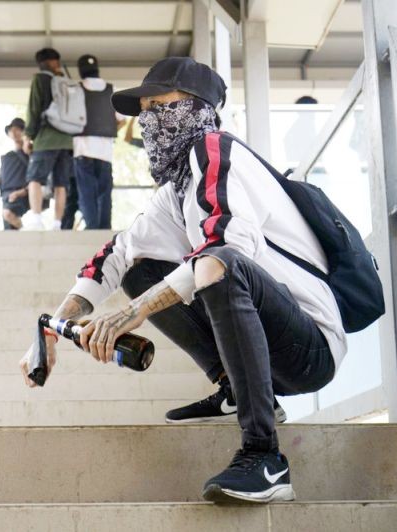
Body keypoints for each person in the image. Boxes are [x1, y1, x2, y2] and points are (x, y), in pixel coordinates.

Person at [20, 57, 346, 504]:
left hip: (309, 347)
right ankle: (235, 387)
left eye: (161, 105)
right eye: (144, 110)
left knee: (220, 262)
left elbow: (222, 255)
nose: (150, 120)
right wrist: (52, 328)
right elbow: (114, 256)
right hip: (267, 343)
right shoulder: (176, 189)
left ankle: (265, 456)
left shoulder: (215, 152)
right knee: (139, 267)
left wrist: (130, 315)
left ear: (198, 109)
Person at [23, 48, 74, 231]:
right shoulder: (66, 81)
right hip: (67, 139)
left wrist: (28, 135)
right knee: (61, 182)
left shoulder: (40, 79)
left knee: (35, 178)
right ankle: (57, 223)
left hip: (46, 139)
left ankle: (36, 219)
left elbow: (34, 109)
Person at [72, 54, 119, 230]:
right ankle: (104, 228)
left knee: (86, 192)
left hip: (82, 147)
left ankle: (91, 228)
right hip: (105, 150)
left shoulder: (77, 88)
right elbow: (119, 119)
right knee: (104, 193)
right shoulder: (110, 89)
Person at [0, 118, 30, 230]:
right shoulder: (7, 157)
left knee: (8, 214)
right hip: (6, 196)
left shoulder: (31, 154)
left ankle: (28, 231)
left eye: (18, 129)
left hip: (22, 196)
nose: (14, 132)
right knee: (9, 232)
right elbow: (2, 179)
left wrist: (22, 192)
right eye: (11, 130)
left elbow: (37, 178)